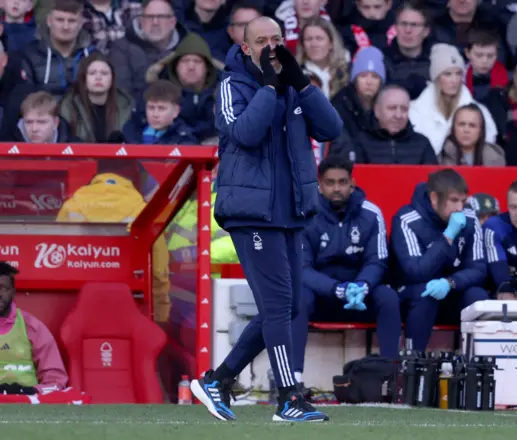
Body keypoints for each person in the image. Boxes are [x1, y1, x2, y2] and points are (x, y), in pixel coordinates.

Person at [190, 16, 342, 422]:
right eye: (262, 40)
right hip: (251, 212)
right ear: (245, 47)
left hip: (288, 211)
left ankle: (217, 381)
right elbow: (246, 133)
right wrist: (272, 88)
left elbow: (331, 128)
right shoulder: (232, 85)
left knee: (289, 308)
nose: (272, 46)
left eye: (277, 38)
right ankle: (289, 397)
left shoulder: (292, 82)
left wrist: (303, 85)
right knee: (277, 308)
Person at [290, 156, 401, 389]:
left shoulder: (371, 214)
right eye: (330, 183)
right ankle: (294, 380)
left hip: (359, 297)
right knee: (297, 299)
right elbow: (302, 268)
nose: (337, 188)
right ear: (319, 184)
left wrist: (362, 286)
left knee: (389, 299)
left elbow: (378, 261)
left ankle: (392, 378)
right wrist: (336, 289)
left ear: (352, 183)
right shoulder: (305, 215)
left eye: (342, 182)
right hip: (323, 296)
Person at [390, 168, 488, 352]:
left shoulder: (470, 218)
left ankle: (476, 366)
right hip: (412, 293)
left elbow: (479, 269)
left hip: (451, 289)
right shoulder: (407, 219)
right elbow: (416, 271)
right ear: (434, 198)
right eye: (453, 200)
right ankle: (413, 364)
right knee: (425, 294)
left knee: (477, 297)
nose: (460, 208)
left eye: (463, 200)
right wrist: (447, 237)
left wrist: (450, 282)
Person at [409, 43, 498, 156]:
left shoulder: (480, 112)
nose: (454, 80)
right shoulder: (415, 111)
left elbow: (487, 148)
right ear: (436, 77)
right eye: (447, 74)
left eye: (458, 74)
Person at [0, 262, 68, 395]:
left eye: (2, 288)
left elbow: (56, 380)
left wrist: (29, 391)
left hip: (28, 403)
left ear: (13, 291)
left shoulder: (32, 326)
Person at [330, 84, 438, 164]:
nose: (398, 115)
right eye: (392, 108)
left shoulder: (422, 144)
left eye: (404, 109)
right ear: (377, 111)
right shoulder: (359, 142)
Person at [144, 33, 220, 142]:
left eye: (197, 61)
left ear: (207, 67)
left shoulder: (222, 95)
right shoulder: (159, 93)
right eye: (185, 61)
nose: (191, 67)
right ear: (175, 66)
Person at [20, 0, 94, 98]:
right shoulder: (30, 55)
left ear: (80, 24)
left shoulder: (92, 55)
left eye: (72, 21)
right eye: (60, 20)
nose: (65, 27)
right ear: (49, 21)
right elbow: (25, 99)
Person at [58, 52, 133, 143]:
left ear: (112, 79)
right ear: (83, 79)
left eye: (104, 73)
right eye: (92, 73)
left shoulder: (126, 105)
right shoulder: (68, 106)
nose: (98, 77)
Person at [121, 80, 196, 145]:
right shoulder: (130, 132)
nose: (155, 114)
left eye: (161, 108)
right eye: (151, 108)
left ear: (176, 111)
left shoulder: (185, 138)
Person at [439, 103, 505, 166]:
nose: (466, 130)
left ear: (481, 131)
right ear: (453, 128)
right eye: (461, 124)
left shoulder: (494, 156)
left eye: (472, 125)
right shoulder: (443, 156)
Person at [10, 91, 81, 143]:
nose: (34, 129)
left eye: (42, 122)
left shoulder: (77, 147)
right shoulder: (8, 145)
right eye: (28, 122)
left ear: (56, 123)